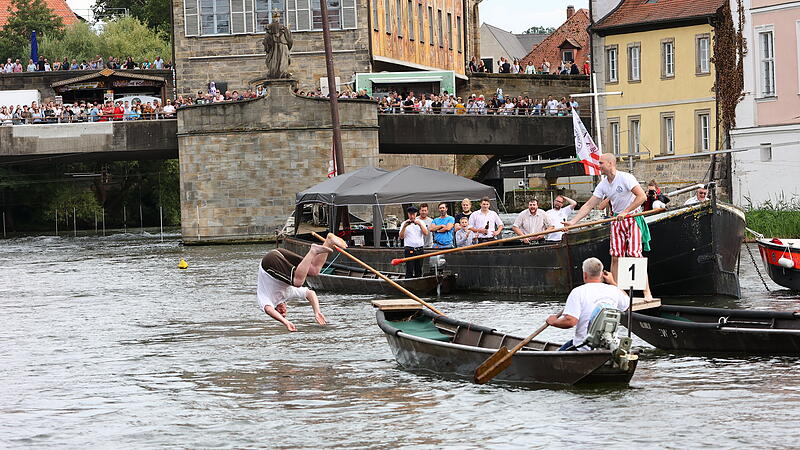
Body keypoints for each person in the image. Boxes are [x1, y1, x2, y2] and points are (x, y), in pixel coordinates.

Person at [564, 153, 653, 299]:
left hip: (633, 218)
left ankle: (646, 292)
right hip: (617, 220)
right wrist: (573, 222)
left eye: (601, 163)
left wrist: (626, 211)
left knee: (635, 256)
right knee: (615, 257)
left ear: (610, 164)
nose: (598, 166)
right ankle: (616, 291)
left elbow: (642, 196)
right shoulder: (603, 184)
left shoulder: (625, 178)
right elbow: (589, 205)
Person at [257, 233, 346, 331]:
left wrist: (285, 322)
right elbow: (310, 293)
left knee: (298, 282)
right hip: (279, 254)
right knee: (314, 270)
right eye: (285, 313)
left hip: (268, 264)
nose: (283, 311)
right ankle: (328, 242)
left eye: (280, 313)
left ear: (276, 310)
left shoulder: (267, 301)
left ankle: (313, 251)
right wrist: (317, 311)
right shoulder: (289, 294)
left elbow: (268, 310)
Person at [546, 257, 630, 351]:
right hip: (610, 347)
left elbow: (570, 321)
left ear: (585, 275)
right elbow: (627, 304)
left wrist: (554, 322)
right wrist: (613, 282)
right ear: (602, 274)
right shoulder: (614, 290)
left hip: (583, 347)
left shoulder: (578, 292)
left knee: (555, 358)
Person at [399, 205, 428, 278]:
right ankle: (409, 284)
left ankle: (418, 284)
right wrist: (405, 226)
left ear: (416, 214)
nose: (412, 216)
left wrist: (420, 225)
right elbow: (401, 237)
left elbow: (426, 233)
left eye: (413, 214)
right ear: (408, 214)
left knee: (419, 269)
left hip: (419, 249)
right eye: (410, 214)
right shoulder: (404, 223)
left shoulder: (421, 222)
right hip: (409, 249)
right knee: (409, 269)